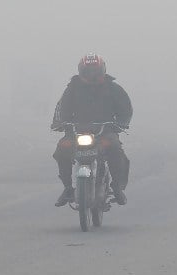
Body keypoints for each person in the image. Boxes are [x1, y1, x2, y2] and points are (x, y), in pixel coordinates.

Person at [51, 53, 133, 207]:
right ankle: (68, 188)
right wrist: (59, 123)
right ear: (81, 70)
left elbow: (126, 110)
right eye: (88, 71)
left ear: (102, 69)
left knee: (116, 150)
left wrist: (121, 123)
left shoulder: (113, 88)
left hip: (105, 132)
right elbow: (61, 109)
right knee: (62, 149)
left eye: (95, 70)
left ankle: (117, 188)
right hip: (76, 132)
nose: (92, 75)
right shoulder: (72, 88)